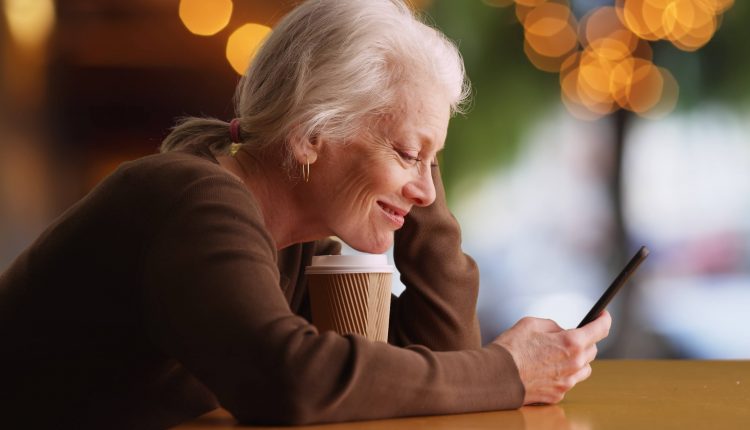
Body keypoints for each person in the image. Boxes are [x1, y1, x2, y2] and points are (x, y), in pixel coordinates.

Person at [0, 0, 611, 428]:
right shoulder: (193, 198)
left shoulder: (305, 238)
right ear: (311, 134)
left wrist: (415, 151)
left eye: (436, 164)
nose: (428, 193)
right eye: (405, 153)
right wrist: (508, 371)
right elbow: (287, 380)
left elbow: (440, 363)